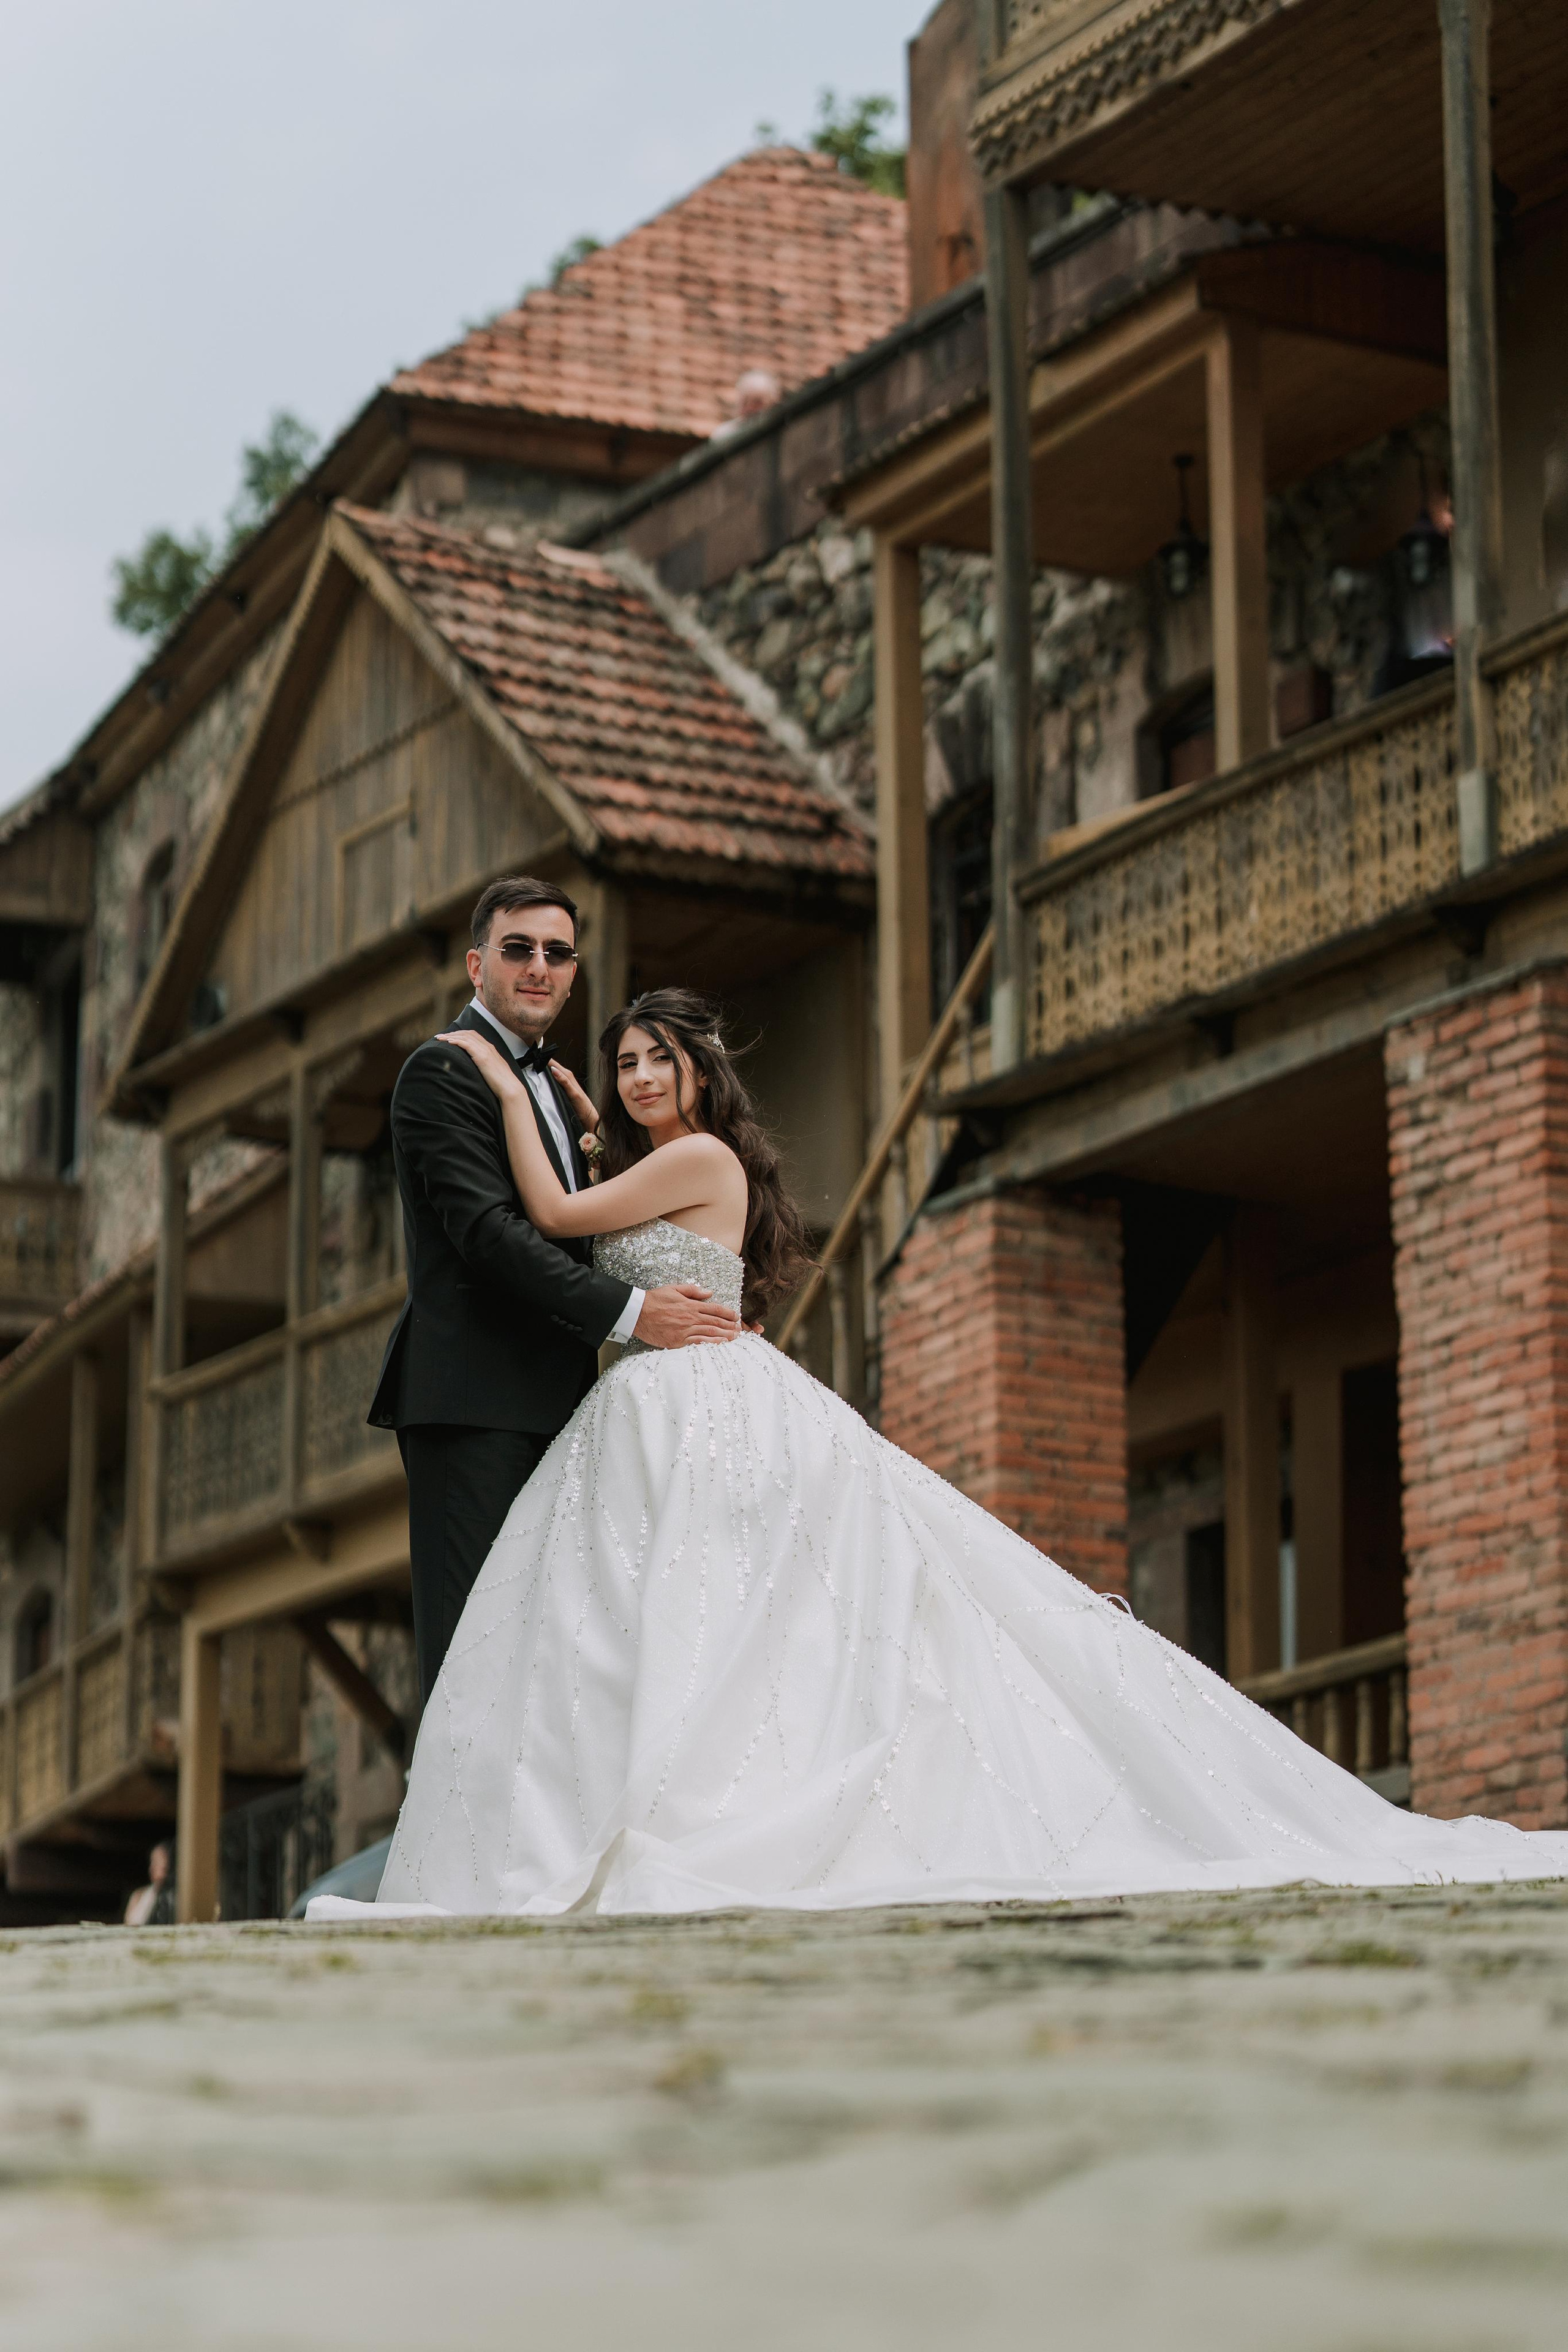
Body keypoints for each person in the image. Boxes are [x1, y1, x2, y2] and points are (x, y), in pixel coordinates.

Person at [315, 990, 1568, 1921]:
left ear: (700, 1071)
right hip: (652, 1406)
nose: (639, 1077)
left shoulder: (691, 1161)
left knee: (728, 1615)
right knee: (677, 1621)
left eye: (657, 1058)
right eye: (625, 1062)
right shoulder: (661, 1157)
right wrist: (583, 1105)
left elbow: (551, 1214)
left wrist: (491, 1070)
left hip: (701, 1404)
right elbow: (601, 1184)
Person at [368, 879, 739, 1705]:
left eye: (558, 953)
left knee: (553, 1673)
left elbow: (591, 1222)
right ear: (477, 965)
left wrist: (597, 1146)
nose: (540, 966)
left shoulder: (558, 1093)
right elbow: (491, 1237)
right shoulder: (443, 1071)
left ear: (573, 974)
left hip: (568, 1408)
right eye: (519, 948)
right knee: (474, 1662)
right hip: (474, 1405)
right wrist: (641, 1315)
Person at [124, 1841, 173, 1926]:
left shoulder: (176, 1897)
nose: (152, 1868)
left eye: (158, 1862)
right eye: (153, 1862)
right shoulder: (139, 1895)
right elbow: (128, 1925)